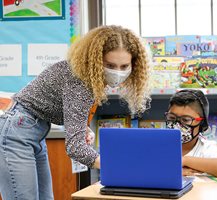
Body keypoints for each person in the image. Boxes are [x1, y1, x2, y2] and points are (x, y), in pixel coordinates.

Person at [0, 25, 151, 200]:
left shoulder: (88, 78)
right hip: (17, 131)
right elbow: (75, 147)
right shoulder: (80, 82)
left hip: (32, 129)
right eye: (110, 65)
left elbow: (67, 111)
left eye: (124, 66)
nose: (117, 72)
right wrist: (119, 167)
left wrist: (82, 129)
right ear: (95, 59)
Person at [165, 89, 217, 178]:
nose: (177, 125)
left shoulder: (205, 147)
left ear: (202, 124)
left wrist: (184, 160)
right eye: (172, 118)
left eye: (186, 120)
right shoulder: (159, 144)